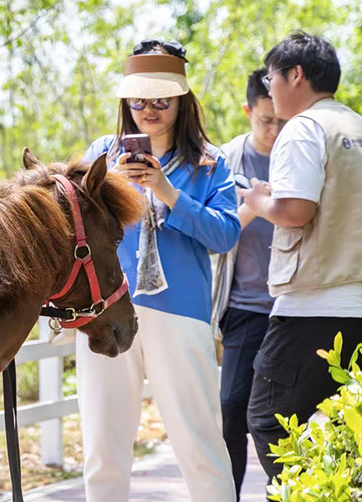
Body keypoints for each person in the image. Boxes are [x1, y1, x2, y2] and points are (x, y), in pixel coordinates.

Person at [77, 39, 239, 502]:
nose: (148, 110)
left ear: (182, 100)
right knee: (103, 446)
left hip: (180, 313)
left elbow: (225, 235)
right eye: (138, 100)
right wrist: (109, 183)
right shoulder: (101, 154)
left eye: (161, 100)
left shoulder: (208, 163)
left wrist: (168, 193)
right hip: (104, 310)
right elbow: (75, 223)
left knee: (200, 442)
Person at [239, 32, 362, 482]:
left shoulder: (304, 128)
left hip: (313, 305)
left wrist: (258, 202)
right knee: (346, 430)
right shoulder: (355, 125)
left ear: (296, 74)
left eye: (270, 77)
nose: (268, 88)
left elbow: (294, 211)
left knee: (269, 420)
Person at [211, 68, 285, 500]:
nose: (274, 130)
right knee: (230, 409)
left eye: (281, 121)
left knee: (281, 418)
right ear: (247, 112)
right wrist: (254, 207)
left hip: (291, 307)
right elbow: (215, 232)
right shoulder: (226, 161)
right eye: (265, 121)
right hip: (243, 306)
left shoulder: (300, 153)